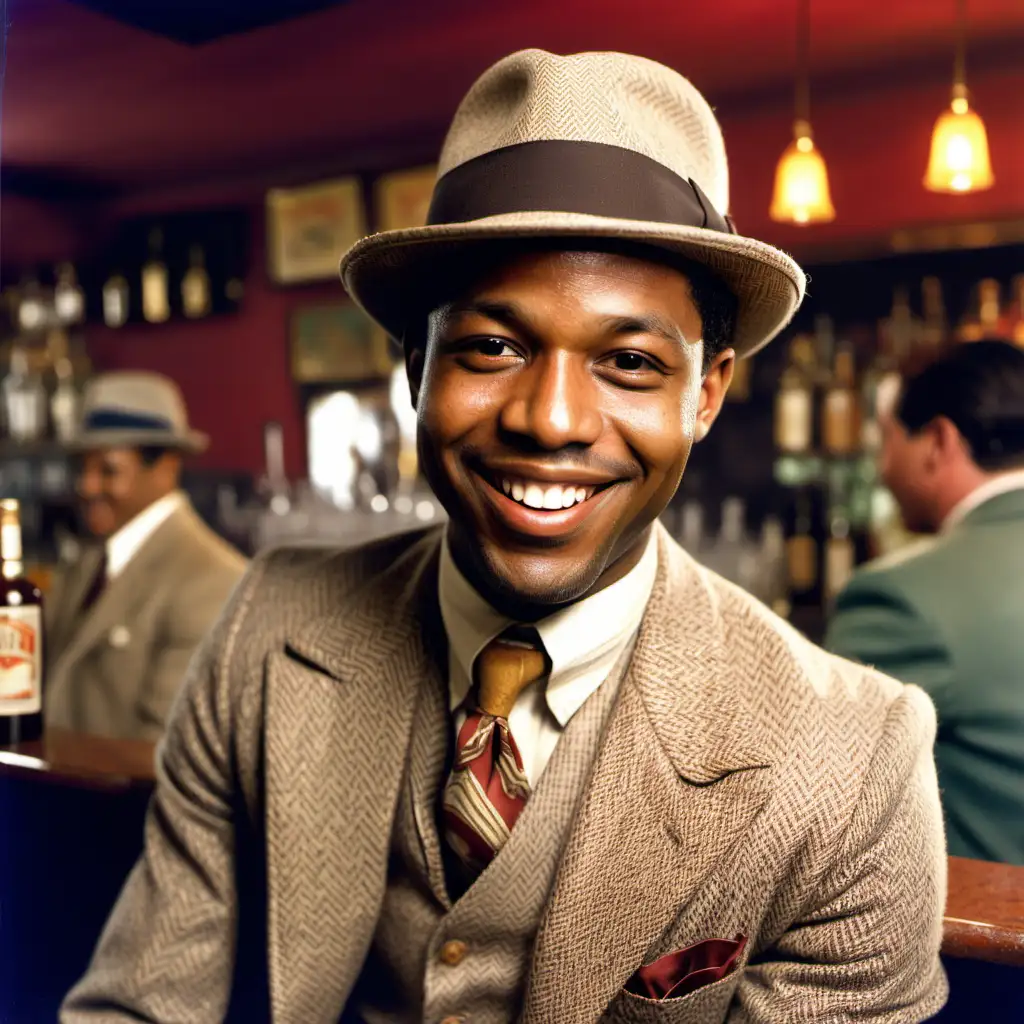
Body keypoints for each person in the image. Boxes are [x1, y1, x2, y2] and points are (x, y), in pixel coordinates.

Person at [62, 50, 946, 1023]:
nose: (550, 418)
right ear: (414, 368)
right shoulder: (268, 630)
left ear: (706, 392)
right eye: (492, 345)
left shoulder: (852, 759)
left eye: (628, 361)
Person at [827, 339, 1024, 866]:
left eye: (887, 441)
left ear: (938, 441)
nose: (883, 468)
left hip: (985, 943)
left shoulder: (902, 599)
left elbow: (810, 781)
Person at [45, 371, 246, 742]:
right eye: (82, 468)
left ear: (167, 468)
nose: (86, 486)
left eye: (108, 470)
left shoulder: (213, 580)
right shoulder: (85, 564)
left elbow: (163, 753)